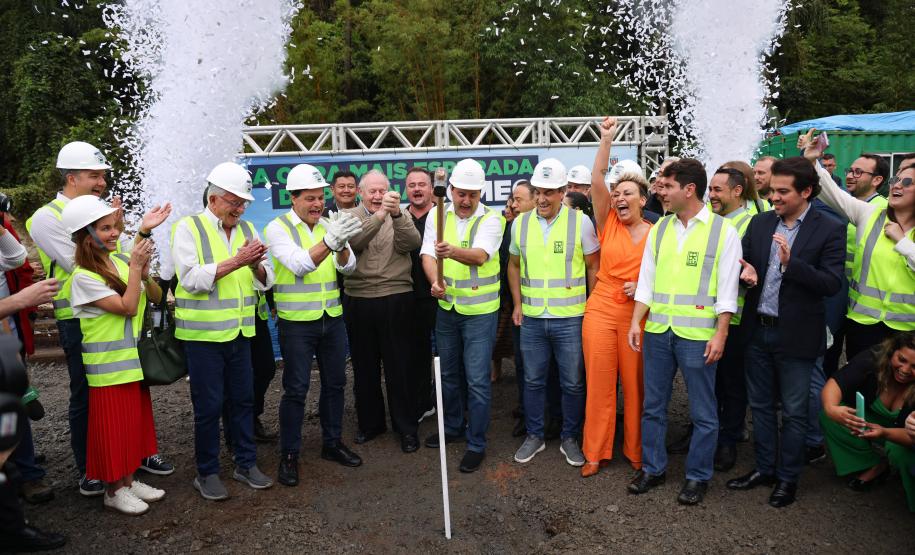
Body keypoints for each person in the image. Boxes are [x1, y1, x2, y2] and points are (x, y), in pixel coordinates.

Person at [26, 141, 174, 497]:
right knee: (89, 397)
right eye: (94, 175)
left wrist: (132, 246)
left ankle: (131, 459)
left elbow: (116, 257)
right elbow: (86, 264)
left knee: (131, 391)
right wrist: (132, 262)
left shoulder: (97, 211)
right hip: (84, 318)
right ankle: (92, 470)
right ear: (71, 177)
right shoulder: (48, 216)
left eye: (103, 176)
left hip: (121, 311)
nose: (102, 183)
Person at [727, 157, 845, 508]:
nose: (773, 197)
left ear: (806, 191)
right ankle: (764, 468)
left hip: (796, 337)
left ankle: (788, 478)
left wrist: (791, 265)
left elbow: (831, 282)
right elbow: (745, 263)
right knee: (761, 407)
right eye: (772, 190)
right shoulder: (762, 224)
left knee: (794, 412)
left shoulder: (829, 228)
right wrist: (745, 273)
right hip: (758, 332)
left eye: (782, 191)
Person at [626, 158, 740, 506]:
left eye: (667, 186)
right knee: (653, 406)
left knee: (703, 412)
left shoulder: (724, 232)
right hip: (659, 331)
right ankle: (653, 468)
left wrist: (720, 334)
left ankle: (697, 476)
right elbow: (647, 280)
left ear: (689, 190)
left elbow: (727, 291)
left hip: (698, 336)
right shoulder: (659, 228)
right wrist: (635, 321)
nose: (660, 191)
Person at [171, 162, 276, 501]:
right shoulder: (188, 228)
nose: (240, 208)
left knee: (243, 402)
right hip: (203, 339)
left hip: (240, 334)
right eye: (234, 201)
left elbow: (266, 281)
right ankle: (207, 472)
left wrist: (257, 265)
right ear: (213, 199)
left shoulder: (247, 230)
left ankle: (245, 463)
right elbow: (189, 279)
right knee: (208, 407)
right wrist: (239, 260)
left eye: (243, 202)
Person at [63, 195, 172, 515]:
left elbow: (154, 297)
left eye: (115, 227)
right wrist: (136, 266)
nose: (114, 233)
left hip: (131, 363)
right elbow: (126, 307)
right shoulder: (83, 277)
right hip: (108, 367)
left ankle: (128, 479)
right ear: (85, 236)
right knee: (113, 430)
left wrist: (144, 264)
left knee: (133, 426)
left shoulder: (120, 261)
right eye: (105, 228)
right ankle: (113, 489)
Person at [265, 164, 364, 486]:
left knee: (336, 384)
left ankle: (331, 443)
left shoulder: (327, 224)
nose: (317, 204)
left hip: (331, 318)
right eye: (309, 198)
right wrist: (332, 242)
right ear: (292, 199)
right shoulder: (278, 228)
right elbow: (300, 264)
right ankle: (289, 454)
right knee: (296, 389)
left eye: (320, 197)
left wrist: (343, 242)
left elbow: (348, 267)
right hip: (297, 323)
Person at [510, 158, 600, 468]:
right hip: (533, 318)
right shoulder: (519, 223)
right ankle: (535, 435)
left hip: (571, 318)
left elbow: (593, 266)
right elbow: (513, 265)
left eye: (550, 192)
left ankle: (570, 437)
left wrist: (591, 307)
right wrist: (519, 304)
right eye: (538, 192)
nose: (543, 198)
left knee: (573, 382)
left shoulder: (581, 222)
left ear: (563, 192)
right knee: (533, 381)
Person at [799, 132, 915, 359]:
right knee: (861, 389)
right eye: (896, 180)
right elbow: (833, 194)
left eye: (907, 182)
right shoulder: (871, 213)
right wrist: (812, 161)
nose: (897, 185)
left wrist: (902, 242)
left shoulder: (901, 234)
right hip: (862, 324)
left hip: (907, 330)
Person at [420, 159, 504, 473]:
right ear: (451, 190)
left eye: (472, 194)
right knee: (448, 375)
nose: (465, 200)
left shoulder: (492, 220)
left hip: (480, 312)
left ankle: (476, 442)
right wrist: (434, 282)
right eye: (460, 193)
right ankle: (453, 427)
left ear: (481, 193)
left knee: (478, 380)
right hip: (447, 309)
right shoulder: (437, 214)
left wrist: (450, 251)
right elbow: (427, 254)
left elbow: (481, 256)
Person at [580, 116, 652, 478]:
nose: (620, 198)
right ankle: (594, 452)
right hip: (601, 309)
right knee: (600, 384)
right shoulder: (607, 221)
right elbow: (596, 182)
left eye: (628, 193)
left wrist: (641, 286)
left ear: (643, 199)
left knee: (636, 388)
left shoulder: (658, 233)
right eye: (617, 193)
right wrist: (605, 139)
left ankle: (637, 453)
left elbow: (663, 277)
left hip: (638, 316)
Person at [343, 170, 422, 452]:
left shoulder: (400, 214)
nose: (377, 197)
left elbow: (412, 244)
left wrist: (398, 216)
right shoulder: (348, 217)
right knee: (364, 367)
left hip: (396, 296)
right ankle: (371, 424)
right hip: (359, 298)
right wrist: (378, 217)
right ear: (361, 193)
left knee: (400, 366)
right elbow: (354, 244)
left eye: (382, 191)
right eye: (372, 192)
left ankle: (406, 428)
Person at [820, 332, 915, 511]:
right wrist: (831, 408)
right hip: (871, 422)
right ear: (892, 352)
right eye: (901, 359)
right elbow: (835, 383)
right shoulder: (874, 358)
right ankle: (873, 465)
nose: (905, 369)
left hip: (904, 436)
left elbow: (912, 437)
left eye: (914, 366)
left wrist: (885, 432)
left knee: (898, 452)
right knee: (831, 416)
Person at [705, 167, 754, 472]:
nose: (711, 195)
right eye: (709, 189)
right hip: (702, 317)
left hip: (735, 317)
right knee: (707, 383)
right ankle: (704, 433)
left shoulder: (752, 223)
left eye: (717, 190)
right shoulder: (708, 221)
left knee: (732, 383)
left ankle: (728, 439)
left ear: (737, 191)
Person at [405, 167, 437, 422]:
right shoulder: (399, 217)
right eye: (412, 185)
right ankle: (422, 403)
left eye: (422, 184)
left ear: (431, 188)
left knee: (447, 357)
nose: (417, 189)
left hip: (440, 297)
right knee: (415, 356)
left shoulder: (443, 217)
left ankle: (450, 406)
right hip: (408, 297)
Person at [507, 181, 536, 437]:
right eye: (512, 200)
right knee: (523, 367)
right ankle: (527, 414)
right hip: (519, 310)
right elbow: (511, 267)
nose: (514, 205)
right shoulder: (511, 228)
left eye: (519, 199)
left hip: (552, 313)